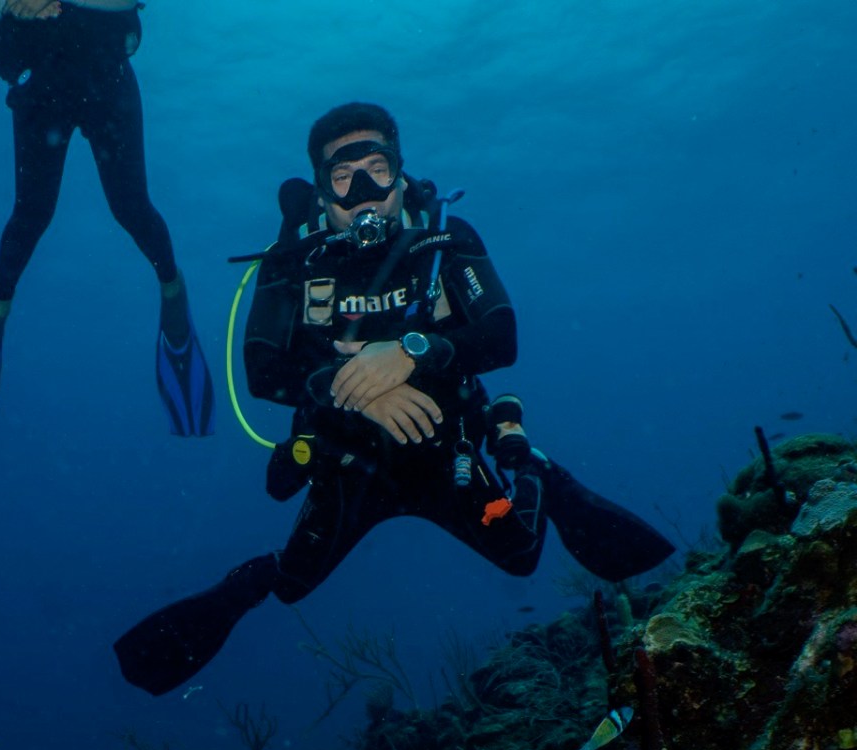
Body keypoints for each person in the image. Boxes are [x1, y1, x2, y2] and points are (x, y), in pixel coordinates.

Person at [114, 102, 674, 695]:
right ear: (321, 191)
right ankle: (235, 590)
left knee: (520, 556)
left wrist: (409, 351)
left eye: (377, 170)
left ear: (401, 176)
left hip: (447, 451)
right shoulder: (294, 261)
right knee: (292, 583)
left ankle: (535, 471)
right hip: (350, 463)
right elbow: (261, 370)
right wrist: (356, 391)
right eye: (342, 177)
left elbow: (501, 335)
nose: (363, 192)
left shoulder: (445, 239)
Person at [0, 0, 214, 452]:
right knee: (31, 215)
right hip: (41, 87)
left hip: (106, 79)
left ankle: (173, 295)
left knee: (131, 208)